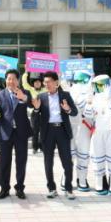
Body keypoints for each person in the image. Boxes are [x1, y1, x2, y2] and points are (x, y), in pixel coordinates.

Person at [32, 71, 78, 199]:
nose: (46, 84)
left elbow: (74, 112)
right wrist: (36, 109)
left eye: (49, 82)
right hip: (48, 132)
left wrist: (67, 109)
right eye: (45, 82)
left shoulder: (65, 95)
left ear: (56, 83)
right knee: (48, 162)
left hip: (62, 130)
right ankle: (51, 188)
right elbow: (34, 118)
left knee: (67, 161)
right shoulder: (41, 97)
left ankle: (68, 188)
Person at [0, 69, 33, 199]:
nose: (11, 81)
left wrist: (23, 98)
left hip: (21, 132)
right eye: (9, 79)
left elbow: (32, 104)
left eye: (14, 79)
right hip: (5, 132)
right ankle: (4, 188)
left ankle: (19, 188)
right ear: (5, 80)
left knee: (21, 161)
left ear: (18, 80)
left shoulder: (25, 93)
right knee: (4, 161)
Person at [85, 75, 111, 196]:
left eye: (99, 86)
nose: (97, 89)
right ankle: (100, 184)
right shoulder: (95, 98)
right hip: (98, 132)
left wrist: (109, 100)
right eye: (95, 86)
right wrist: (89, 102)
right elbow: (88, 115)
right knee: (97, 156)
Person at [22, 73, 43, 154]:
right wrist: (26, 72)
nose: (37, 83)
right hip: (34, 113)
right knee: (35, 131)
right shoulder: (30, 89)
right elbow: (24, 83)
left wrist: (57, 74)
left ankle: (42, 147)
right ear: (33, 83)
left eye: (39, 82)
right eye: (35, 82)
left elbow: (55, 85)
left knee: (43, 130)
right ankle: (35, 147)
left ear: (41, 83)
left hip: (44, 113)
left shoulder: (45, 89)